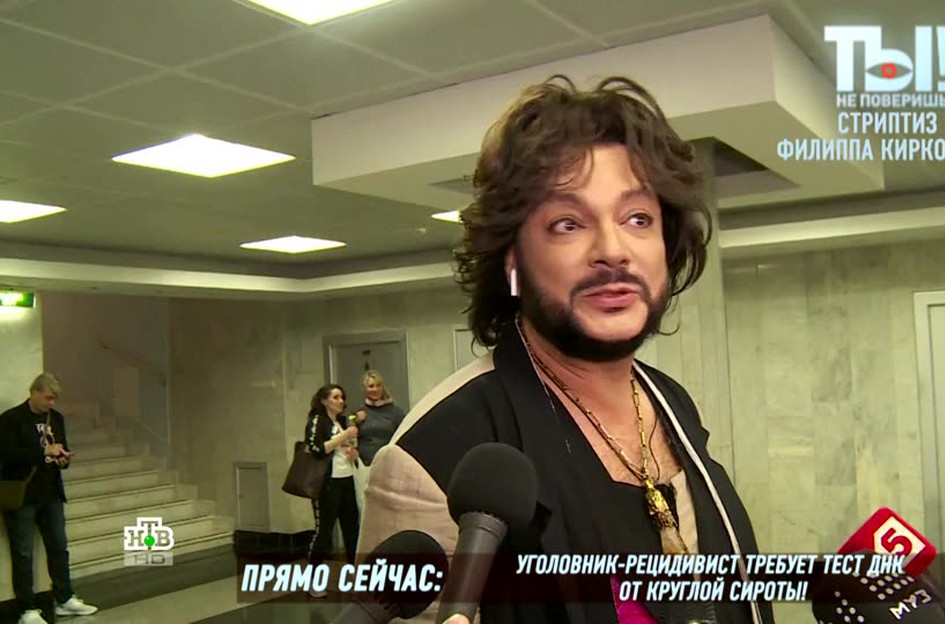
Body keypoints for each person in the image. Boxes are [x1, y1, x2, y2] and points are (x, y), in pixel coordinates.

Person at [357, 75, 774, 624]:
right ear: (512, 261)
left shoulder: (670, 401)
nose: (613, 250)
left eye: (638, 218)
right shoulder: (431, 459)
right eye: (567, 224)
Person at [0, 373, 98, 624]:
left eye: (54, 399)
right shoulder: (11, 419)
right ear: (34, 392)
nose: (51, 403)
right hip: (23, 496)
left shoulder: (56, 418)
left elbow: (61, 448)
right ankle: (27, 609)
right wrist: (43, 450)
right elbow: (8, 456)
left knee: (58, 547)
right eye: (47, 398)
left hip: (51, 493)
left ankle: (64, 598)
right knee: (23, 553)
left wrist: (63, 459)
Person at [303, 384, 360, 598]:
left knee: (352, 530)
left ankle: (355, 577)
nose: (340, 401)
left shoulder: (342, 422)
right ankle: (313, 579)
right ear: (324, 401)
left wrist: (352, 451)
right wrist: (343, 437)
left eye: (342, 397)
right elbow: (317, 449)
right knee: (325, 532)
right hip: (327, 483)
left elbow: (346, 448)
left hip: (346, 479)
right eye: (335, 397)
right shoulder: (318, 421)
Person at [351, 371, 406, 519]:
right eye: (370, 386)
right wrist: (355, 421)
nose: (374, 389)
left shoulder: (395, 412)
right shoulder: (358, 412)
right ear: (364, 389)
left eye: (377, 385)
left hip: (388, 465)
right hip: (364, 464)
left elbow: (404, 435)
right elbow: (347, 428)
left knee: (389, 504)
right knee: (364, 505)